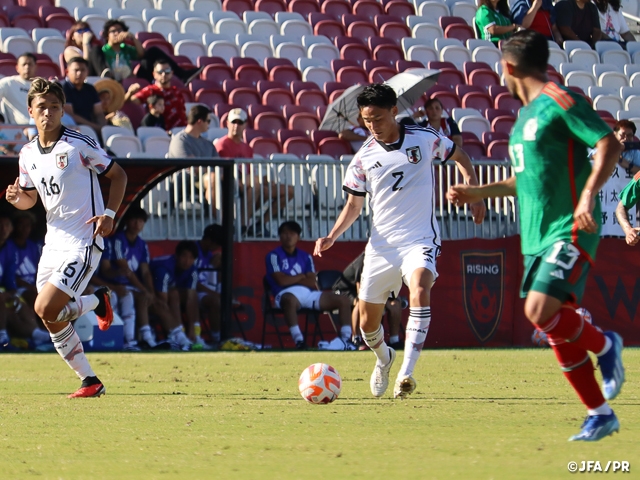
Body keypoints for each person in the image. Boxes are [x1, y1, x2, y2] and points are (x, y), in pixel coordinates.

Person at [447, 30, 625, 441]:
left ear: (508, 66)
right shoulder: (523, 120)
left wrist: (586, 196)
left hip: (570, 227)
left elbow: (607, 143)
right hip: (535, 238)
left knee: (539, 311)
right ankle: (599, 412)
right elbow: (524, 180)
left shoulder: (560, 100)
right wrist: (480, 192)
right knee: (549, 322)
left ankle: (605, 345)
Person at [314, 84, 486, 399]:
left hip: (419, 238)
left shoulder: (424, 138)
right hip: (380, 247)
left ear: (394, 111)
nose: (372, 126)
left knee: (420, 286)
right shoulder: (363, 158)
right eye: (366, 120)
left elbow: (461, 156)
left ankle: (406, 373)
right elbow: (353, 206)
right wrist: (331, 236)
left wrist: (473, 191)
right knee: (367, 326)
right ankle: (384, 359)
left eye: (377, 118)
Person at [5, 77, 128, 397]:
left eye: (55, 107)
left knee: (45, 307)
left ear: (62, 111)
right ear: (30, 111)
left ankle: (94, 303)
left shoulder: (78, 144)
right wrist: (18, 199)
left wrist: (111, 215)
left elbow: (118, 175)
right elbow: (31, 198)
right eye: (42, 107)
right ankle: (90, 379)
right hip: (53, 242)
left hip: (84, 240)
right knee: (48, 313)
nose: (48, 113)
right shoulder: (28, 153)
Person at [110, 206, 192, 350]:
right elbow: (126, 270)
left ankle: (180, 339)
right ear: (127, 221)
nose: (137, 224)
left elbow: (146, 272)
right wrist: (146, 291)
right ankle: (147, 339)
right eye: (134, 220)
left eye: (141, 221)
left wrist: (152, 292)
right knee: (144, 298)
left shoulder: (142, 244)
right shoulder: (118, 240)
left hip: (134, 287)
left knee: (157, 302)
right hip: (116, 286)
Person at [267, 221, 353, 349]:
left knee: (343, 300)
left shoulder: (306, 256)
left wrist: (291, 278)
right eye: (285, 233)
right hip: (284, 294)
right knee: (289, 300)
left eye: (292, 233)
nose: (288, 236)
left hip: (308, 293)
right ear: (279, 236)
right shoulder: (273, 255)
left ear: (298, 236)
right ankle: (299, 341)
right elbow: (281, 281)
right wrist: (302, 276)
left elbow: (311, 281)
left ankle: (346, 340)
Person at [88, 19, 199, 84]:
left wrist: (133, 39)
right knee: (95, 50)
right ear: (107, 35)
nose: (117, 33)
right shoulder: (103, 51)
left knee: (152, 51)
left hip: (131, 80)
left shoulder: (125, 48)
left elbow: (142, 55)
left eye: (120, 30)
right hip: (112, 80)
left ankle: (182, 75)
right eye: (113, 31)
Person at [0, 211, 52, 351]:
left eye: (6, 226)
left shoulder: (12, 248)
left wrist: (12, 292)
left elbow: (9, 278)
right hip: (16, 289)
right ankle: (4, 337)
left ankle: (38, 334)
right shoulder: (11, 245)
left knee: (20, 306)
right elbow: (14, 277)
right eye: (1, 225)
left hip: (12, 289)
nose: (3, 229)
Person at [333, 251, 404, 350]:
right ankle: (356, 339)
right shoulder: (365, 259)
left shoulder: (390, 261)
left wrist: (387, 301)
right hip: (346, 290)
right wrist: (383, 302)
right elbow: (360, 289)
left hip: (373, 290)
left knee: (395, 304)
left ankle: (394, 340)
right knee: (360, 303)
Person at [150, 241, 199, 349]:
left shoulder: (193, 270)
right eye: (184, 256)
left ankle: (194, 335)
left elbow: (191, 299)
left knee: (189, 295)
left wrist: (191, 327)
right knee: (168, 299)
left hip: (168, 294)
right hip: (147, 292)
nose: (187, 261)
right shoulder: (163, 268)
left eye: (191, 258)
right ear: (177, 256)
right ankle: (178, 336)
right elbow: (163, 300)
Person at [130, 60, 187, 130]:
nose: (164, 74)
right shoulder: (150, 90)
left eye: (167, 71)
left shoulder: (177, 91)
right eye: (160, 72)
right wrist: (130, 93)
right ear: (154, 74)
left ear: (172, 73)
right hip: (164, 132)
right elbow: (132, 101)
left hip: (183, 130)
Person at [194, 224, 224, 348]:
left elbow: (215, 278)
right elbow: (193, 282)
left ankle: (222, 336)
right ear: (209, 241)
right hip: (191, 291)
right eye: (217, 245)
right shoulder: (192, 251)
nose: (217, 248)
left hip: (207, 292)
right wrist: (215, 294)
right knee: (215, 301)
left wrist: (220, 267)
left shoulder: (210, 255)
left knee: (222, 300)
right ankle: (217, 338)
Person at [62, 57, 106, 133]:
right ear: (67, 72)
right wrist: (96, 127)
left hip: (93, 127)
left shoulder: (91, 89)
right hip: (74, 129)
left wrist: (103, 127)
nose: (79, 73)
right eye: (76, 70)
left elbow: (99, 113)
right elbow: (71, 115)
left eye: (83, 70)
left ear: (87, 72)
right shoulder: (63, 89)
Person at [8, 211, 41, 309]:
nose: (24, 228)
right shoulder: (8, 246)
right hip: (16, 288)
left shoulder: (33, 246)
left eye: (27, 225)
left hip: (34, 286)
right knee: (37, 299)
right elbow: (11, 277)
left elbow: (39, 269)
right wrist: (32, 288)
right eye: (21, 224)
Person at [0, 53, 37, 125]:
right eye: (24, 64)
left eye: (30, 64)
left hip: (42, 128)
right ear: (17, 68)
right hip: (18, 130)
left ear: (36, 67)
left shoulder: (42, 86)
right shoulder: (8, 83)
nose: (27, 67)